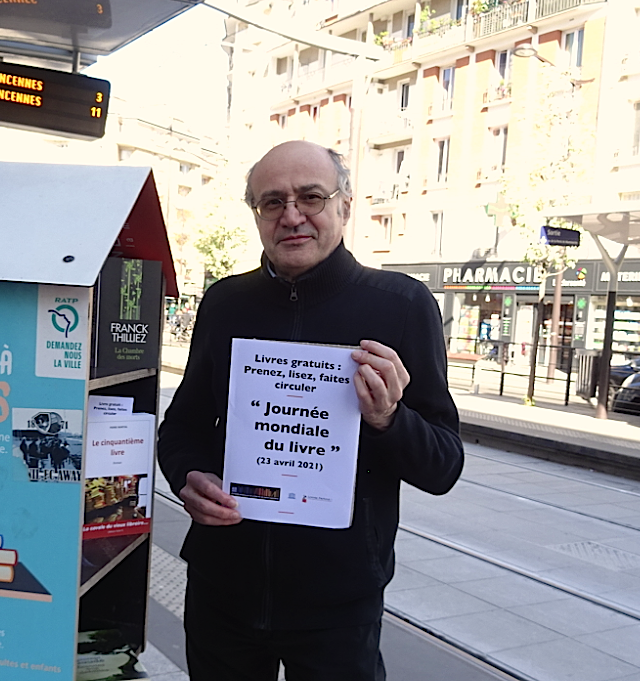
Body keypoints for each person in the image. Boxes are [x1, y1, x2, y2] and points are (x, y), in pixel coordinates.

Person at [157, 141, 464, 681]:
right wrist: (188, 476)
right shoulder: (225, 302)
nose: (292, 216)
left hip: (338, 604)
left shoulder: (401, 304)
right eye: (272, 202)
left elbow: (443, 467)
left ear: (345, 206)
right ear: (256, 215)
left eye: (311, 197)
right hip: (223, 588)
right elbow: (182, 426)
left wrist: (391, 418)